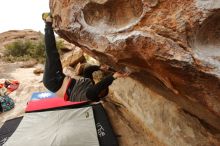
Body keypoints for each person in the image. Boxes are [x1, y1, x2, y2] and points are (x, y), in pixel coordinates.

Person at [42, 13, 128, 102]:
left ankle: (47, 23)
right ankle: (48, 25)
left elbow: (97, 89)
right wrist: (99, 67)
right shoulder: (89, 84)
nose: (99, 86)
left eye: (101, 90)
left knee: (52, 54)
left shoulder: (90, 96)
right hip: (59, 78)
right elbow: (87, 71)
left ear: (99, 95)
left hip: (53, 82)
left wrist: (113, 77)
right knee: (53, 55)